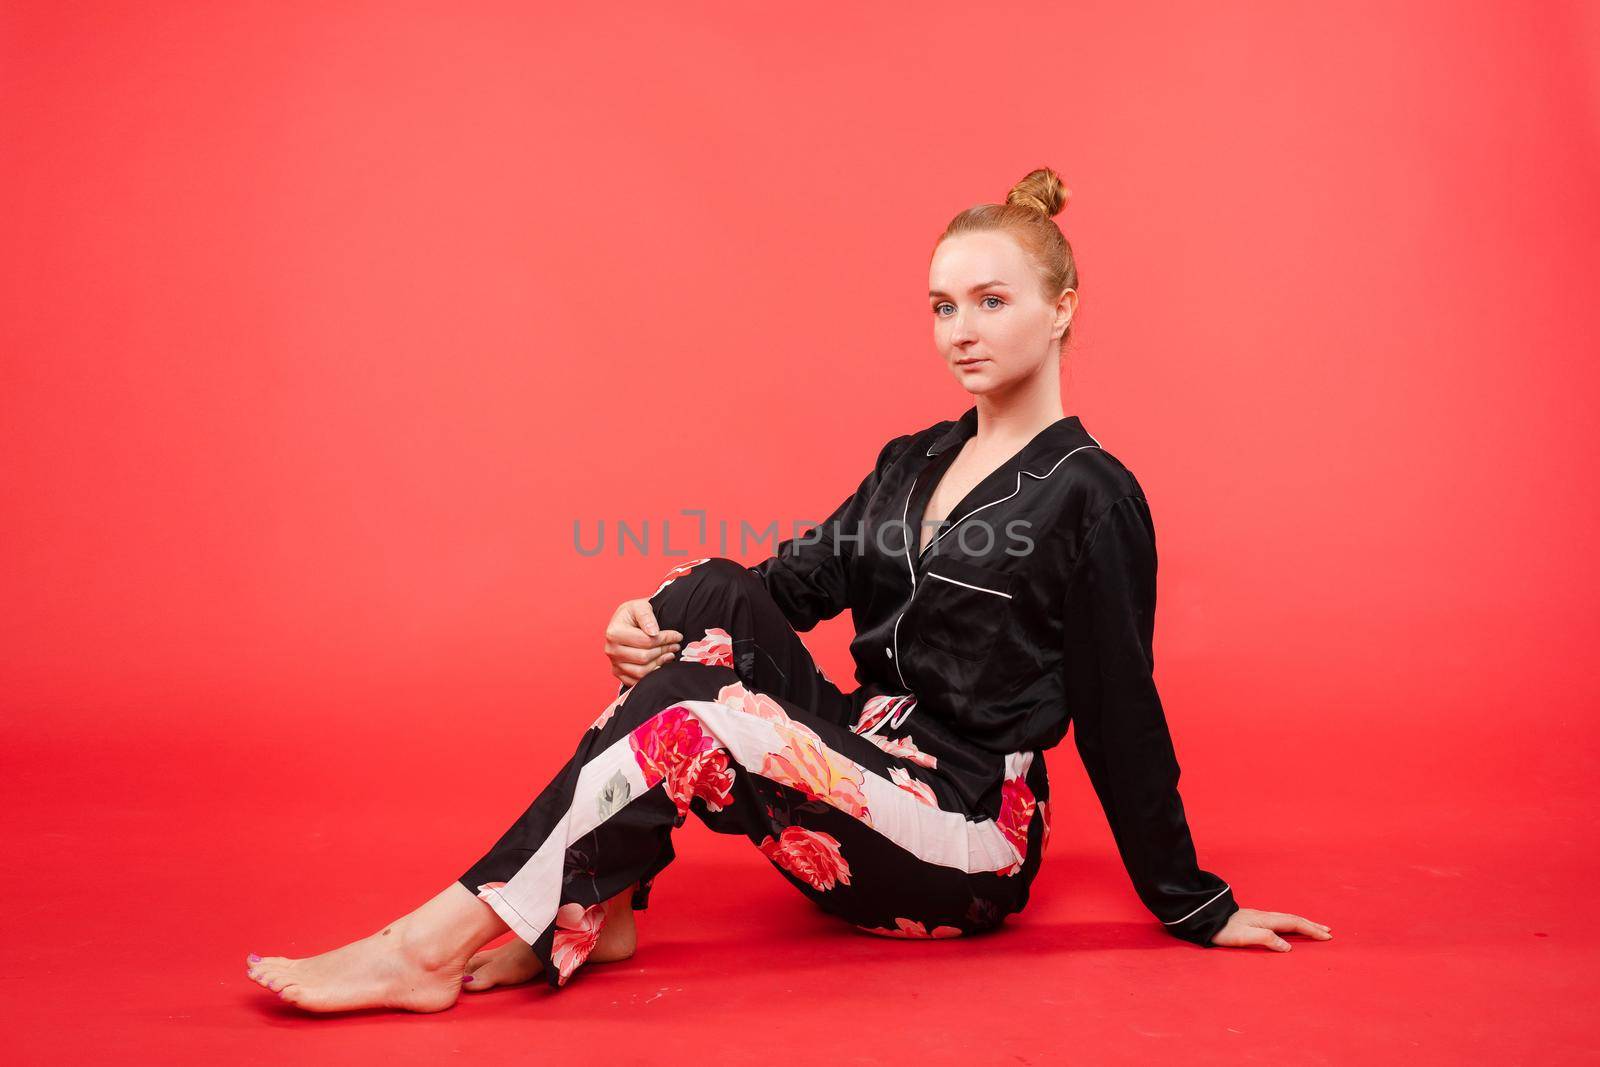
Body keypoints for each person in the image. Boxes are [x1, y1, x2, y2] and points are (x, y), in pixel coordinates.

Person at [246, 166, 1331, 1014]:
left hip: (962, 824)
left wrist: (1194, 901)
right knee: (706, 589)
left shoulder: (1091, 494)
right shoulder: (911, 458)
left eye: (991, 300)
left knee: (689, 713)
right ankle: (604, 905)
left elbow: (1119, 704)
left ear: (1061, 307)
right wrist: (659, 616)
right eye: (942, 304)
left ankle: (424, 947)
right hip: (857, 758)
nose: (960, 327)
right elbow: (784, 584)